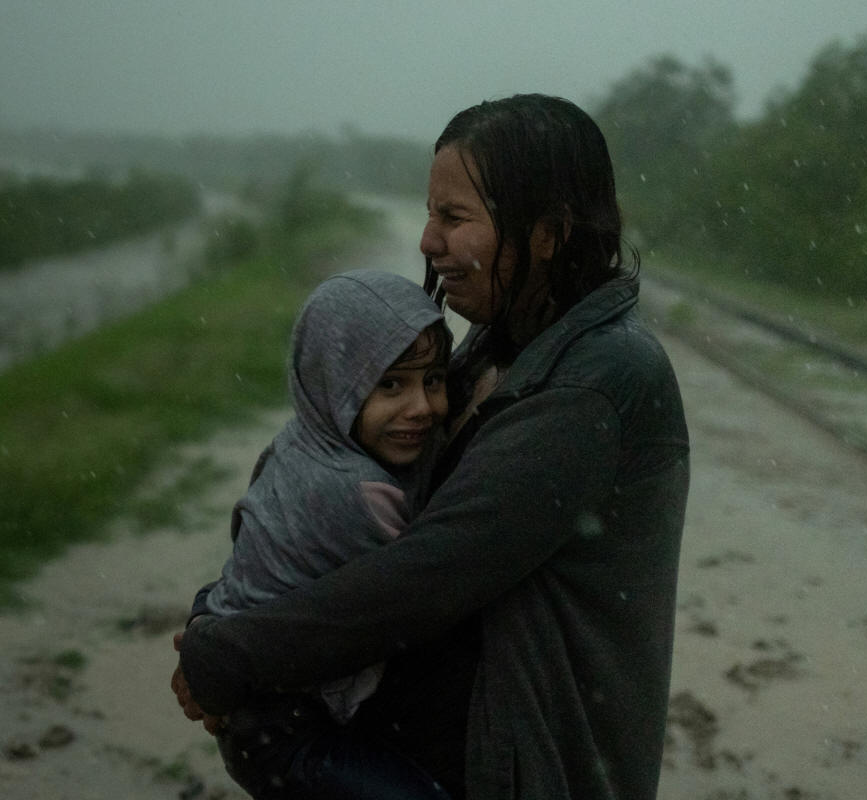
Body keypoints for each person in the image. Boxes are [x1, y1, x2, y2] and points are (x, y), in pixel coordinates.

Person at [173, 93, 691, 800]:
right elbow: (340, 513)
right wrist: (224, 609)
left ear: (547, 234)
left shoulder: (595, 381)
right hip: (420, 749)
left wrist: (235, 653)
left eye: (453, 217)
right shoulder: (499, 344)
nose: (426, 241)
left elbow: (432, 570)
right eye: (429, 213)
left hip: (518, 768)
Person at [195, 268, 454, 799]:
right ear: (333, 384)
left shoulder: (299, 440)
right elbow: (428, 592)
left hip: (255, 716)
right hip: (288, 734)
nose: (422, 408)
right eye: (390, 384)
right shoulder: (355, 492)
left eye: (433, 380)